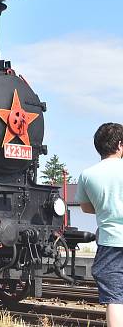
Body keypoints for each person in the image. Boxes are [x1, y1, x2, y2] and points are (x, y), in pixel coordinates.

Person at [77, 123, 123, 327]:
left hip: (110, 241)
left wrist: (107, 206)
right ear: (120, 145)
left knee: (114, 298)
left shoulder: (88, 175)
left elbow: (86, 208)